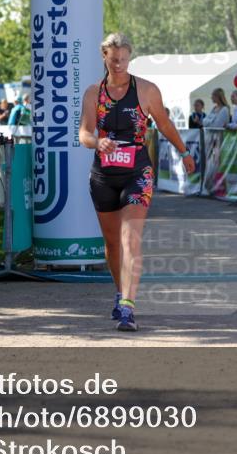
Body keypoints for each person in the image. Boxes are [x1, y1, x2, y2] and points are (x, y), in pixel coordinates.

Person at [79, 33, 194, 333]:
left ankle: (129, 308)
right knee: (113, 244)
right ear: (104, 56)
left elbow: (165, 124)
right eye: (113, 59)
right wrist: (97, 142)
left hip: (137, 173)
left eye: (124, 59)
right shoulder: (94, 93)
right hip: (103, 175)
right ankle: (120, 292)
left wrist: (184, 152)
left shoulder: (146, 90)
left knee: (131, 238)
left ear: (130, 58)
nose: (119, 64)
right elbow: (83, 134)